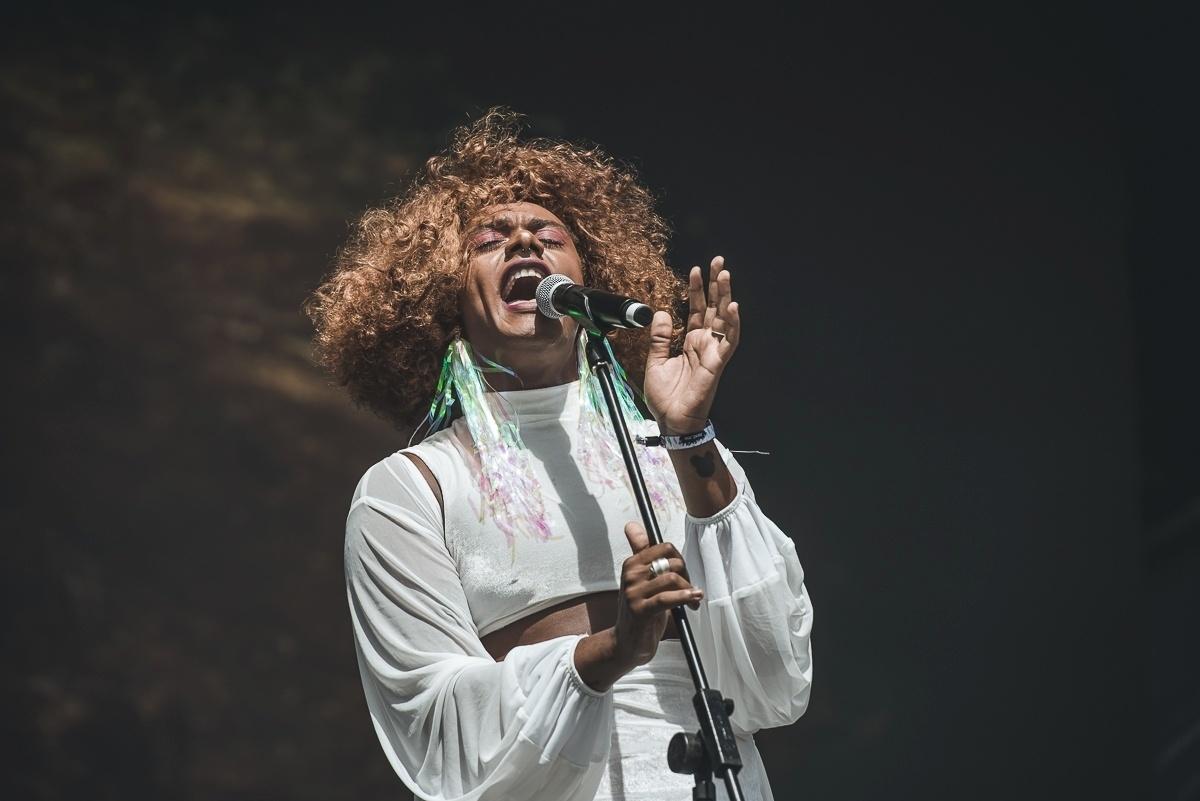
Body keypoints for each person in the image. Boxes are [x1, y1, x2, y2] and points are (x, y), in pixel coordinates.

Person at [306, 110, 813, 801]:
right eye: (490, 240)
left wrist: (691, 432)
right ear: (440, 296)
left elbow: (774, 676)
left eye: (551, 237)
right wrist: (605, 652)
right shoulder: (410, 488)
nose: (524, 242)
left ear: (589, 277)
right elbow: (432, 721)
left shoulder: (671, 447)